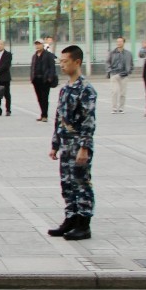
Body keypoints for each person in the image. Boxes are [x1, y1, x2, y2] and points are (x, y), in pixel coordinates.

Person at [47, 46, 97, 242]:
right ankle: (71, 218)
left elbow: (89, 120)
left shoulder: (86, 89)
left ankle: (84, 224)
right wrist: (55, 144)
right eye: (60, 61)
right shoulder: (65, 89)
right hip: (66, 144)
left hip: (78, 144)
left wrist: (84, 147)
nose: (62, 64)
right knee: (67, 183)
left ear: (77, 62)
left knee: (81, 182)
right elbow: (59, 118)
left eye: (65, 61)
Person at [30, 39, 58, 122]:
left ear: (43, 45)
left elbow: (52, 67)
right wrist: (32, 78)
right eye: (36, 44)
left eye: (39, 44)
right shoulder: (34, 56)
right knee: (39, 98)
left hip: (45, 80)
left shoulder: (48, 55)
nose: (37, 46)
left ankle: (45, 115)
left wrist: (50, 78)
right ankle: (42, 114)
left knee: (44, 98)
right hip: (36, 80)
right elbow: (32, 67)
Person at [106, 37, 134, 114]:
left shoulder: (128, 53)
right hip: (114, 74)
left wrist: (129, 71)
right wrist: (109, 70)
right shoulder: (112, 53)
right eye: (117, 41)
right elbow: (108, 62)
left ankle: (121, 107)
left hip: (124, 75)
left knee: (123, 92)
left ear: (123, 43)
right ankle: (114, 108)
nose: (119, 43)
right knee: (114, 91)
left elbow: (131, 64)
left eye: (120, 41)